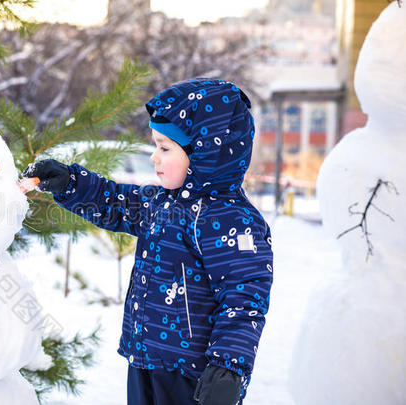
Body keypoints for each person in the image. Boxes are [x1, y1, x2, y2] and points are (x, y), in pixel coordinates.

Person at [22, 78, 273, 405]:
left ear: (204, 153)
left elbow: (244, 300)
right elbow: (113, 203)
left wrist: (228, 366)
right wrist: (70, 182)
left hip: (194, 375)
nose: (154, 157)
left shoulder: (232, 220)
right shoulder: (161, 204)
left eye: (165, 148)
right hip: (144, 361)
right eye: (155, 146)